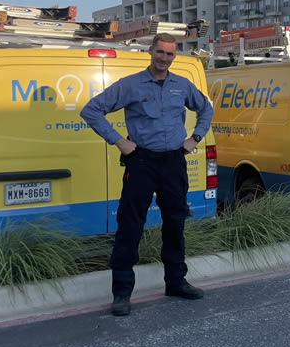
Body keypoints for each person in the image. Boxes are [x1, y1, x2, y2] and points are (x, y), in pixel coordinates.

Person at [80, 33, 214, 316]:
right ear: (150, 52)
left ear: (173, 56)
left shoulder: (182, 85)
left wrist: (196, 138)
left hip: (173, 162)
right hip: (141, 162)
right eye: (160, 52)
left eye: (169, 54)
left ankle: (176, 282)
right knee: (130, 225)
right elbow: (91, 111)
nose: (164, 58)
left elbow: (205, 108)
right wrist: (119, 141)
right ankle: (122, 293)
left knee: (175, 223)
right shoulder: (131, 85)